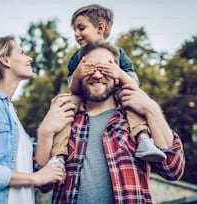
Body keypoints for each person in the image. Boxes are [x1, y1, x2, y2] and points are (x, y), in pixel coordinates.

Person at [35, 41, 185, 203]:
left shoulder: (136, 118)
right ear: (79, 74)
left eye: (105, 69)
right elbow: (44, 185)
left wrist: (152, 110)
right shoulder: (64, 116)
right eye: (90, 68)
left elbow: (173, 171)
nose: (97, 75)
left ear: (118, 76)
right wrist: (45, 131)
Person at [0, 36, 72, 204]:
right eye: (22, 53)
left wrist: (47, 131)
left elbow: (43, 179)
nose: (29, 58)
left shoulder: (11, 113)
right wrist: (34, 178)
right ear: (5, 60)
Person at [49, 4, 166, 168]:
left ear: (100, 28)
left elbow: (134, 84)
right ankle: (58, 156)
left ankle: (143, 139)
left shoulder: (118, 53)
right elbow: (73, 89)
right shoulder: (77, 57)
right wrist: (77, 75)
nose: (76, 34)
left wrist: (118, 73)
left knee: (132, 99)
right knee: (65, 106)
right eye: (74, 30)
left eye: (81, 28)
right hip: (85, 97)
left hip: (115, 94)